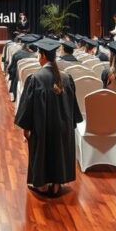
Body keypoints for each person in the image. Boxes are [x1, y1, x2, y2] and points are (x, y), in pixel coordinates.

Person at [14, 38, 81, 198]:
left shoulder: (36, 78)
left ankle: (43, 185)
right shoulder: (66, 78)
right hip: (63, 126)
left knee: (43, 152)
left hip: (42, 126)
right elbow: (73, 107)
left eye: (39, 54)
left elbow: (28, 108)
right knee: (59, 151)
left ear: (43, 55)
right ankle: (57, 185)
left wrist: (26, 128)